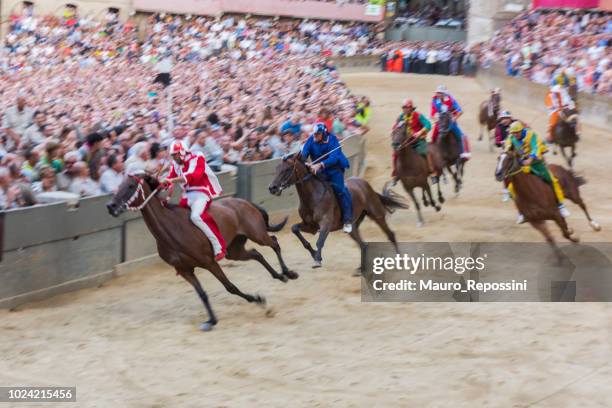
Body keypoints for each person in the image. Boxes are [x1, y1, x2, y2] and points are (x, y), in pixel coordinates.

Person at [162, 140, 226, 261]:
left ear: (183, 152)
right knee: (176, 219)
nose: (174, 157)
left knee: (196, 216)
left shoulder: (197, 157)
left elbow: (192, 176)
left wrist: (171, 181)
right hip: (186, 196)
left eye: (176, 154)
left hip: (201, 193)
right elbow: (169, 178)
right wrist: (160, 183)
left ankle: (219, 247)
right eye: (173, 155)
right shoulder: (175, 164)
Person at [504, 121, 570, 224]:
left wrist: (530, 159)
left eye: (517, 132)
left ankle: (560, 205)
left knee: (552, 180)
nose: (515, 135)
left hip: (536, 163)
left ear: (522, 130)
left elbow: (536, 147)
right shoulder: (511, 137)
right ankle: (521, 212)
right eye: (514, 133)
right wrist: (508, 151)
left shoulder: (531, 134)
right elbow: (507, 147)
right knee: (511, 189)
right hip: (522, 165)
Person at [301, 123, 353, 233]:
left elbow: (334, 158)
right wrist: (305, 163)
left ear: (323, 134)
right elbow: (304, 154)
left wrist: (319, 165)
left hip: (334, 169)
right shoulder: (311, 140)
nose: (315, 136)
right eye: (314, 134)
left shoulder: (333, 140)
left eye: (317, 134)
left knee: (341, 190)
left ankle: (348, 220)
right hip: (319, 170)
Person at [391, 99, 435, 183]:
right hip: (406, 142)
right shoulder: (401, 117)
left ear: (411, 108)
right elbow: (395, 127)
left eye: (408, 107)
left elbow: (428, 124)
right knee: (395, 154)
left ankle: (432, 171)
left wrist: (420, 132)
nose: (406, 109)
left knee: (424, 152)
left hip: (418, 140)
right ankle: (396, 174)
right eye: (404, 107)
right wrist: (394, 132)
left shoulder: (418, 115)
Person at [430, 85, 470, 159]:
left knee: (461, 135)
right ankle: (433, 154)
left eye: (440, 93)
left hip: (450, 122)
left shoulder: (451, 99)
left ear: (444, 93)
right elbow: (432, 114)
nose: (438, 94)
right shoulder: (434, 100)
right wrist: (436, 118)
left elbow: (460, 111)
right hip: (440, 122)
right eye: (437, 93)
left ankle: (463, 153)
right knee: (433, 137)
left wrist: (454, 118)